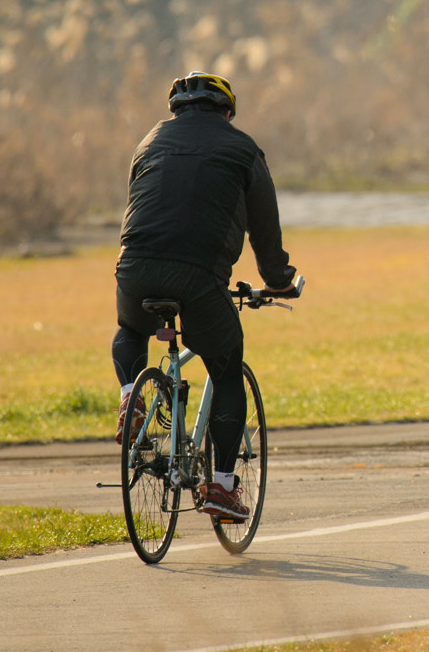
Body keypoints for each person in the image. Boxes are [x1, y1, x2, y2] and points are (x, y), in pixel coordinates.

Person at [112, 71, 300, 522]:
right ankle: (222, 487)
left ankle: (129, 397)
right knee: (227, 365)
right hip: (197, 277)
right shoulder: (242, 148)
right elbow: (266, 231)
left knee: (129, 329)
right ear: (227, 111)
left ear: (176, 109)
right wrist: (279, 279)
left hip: (134, 268)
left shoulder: (149, 142)